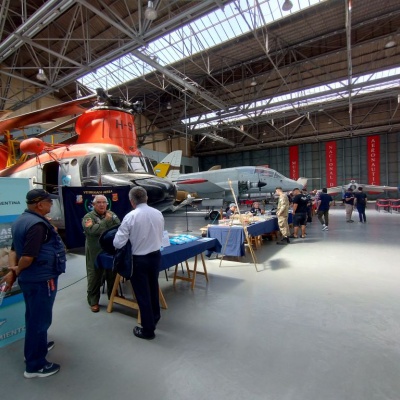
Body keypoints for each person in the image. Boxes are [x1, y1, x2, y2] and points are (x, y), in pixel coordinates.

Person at [0, 189, 65, 378]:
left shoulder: (21, 220)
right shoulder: (37, 226)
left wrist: (13, 270)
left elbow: (13, 251)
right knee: (40, 320)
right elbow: (27, 257)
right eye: (49, 202)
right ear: (39, 204)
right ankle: (35, 365)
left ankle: (37, 347)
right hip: (41, 280)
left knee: (34, 316)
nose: (51, 205)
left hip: (33, 280)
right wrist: (18, 270)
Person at [113, 187, 164, 340]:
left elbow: (117, 242)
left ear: (131, 201)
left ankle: (148, 330)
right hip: (155, 256)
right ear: (146, 198)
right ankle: (155, 317)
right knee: (153, 287)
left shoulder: (130, 217)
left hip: (139, 259)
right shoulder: (158, 213)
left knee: (143, 294)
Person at [82, 195, 120, 313]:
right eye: (98, 202)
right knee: (94, 276)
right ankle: (93, 301)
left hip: (109, 250)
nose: (102, 205)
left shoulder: (111, 214)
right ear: (93, 205)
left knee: (112, 273)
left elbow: (119, 226)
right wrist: (106, 222)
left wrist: (103, 226)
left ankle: (113, 296)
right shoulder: (88, 217)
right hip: (95, 251)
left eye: (104, 202)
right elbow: (92, 230)